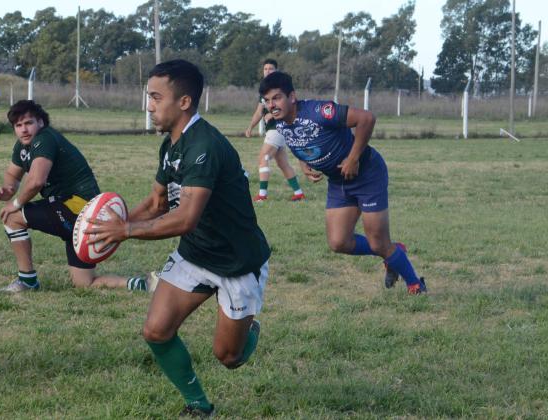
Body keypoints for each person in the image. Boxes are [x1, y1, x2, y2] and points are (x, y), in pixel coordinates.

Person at [87, 59, 270, 417]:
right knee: (156, 331)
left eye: (156, 97)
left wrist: (123, 230)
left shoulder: (204, 147)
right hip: (195, 254)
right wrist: (107, 228)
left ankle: (248, 331)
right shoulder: (171, 145)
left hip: (236, 262)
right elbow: (157, 202)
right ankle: (199, 406)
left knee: (228, 357)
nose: (149, 105)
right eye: (148, 97)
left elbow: (185, 218)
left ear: (183, 102)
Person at [258, 71, 427, 294]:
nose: (272, 105)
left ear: (292, 97)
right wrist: (303, 162)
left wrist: (353, 158)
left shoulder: (319, 111)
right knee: (339, 242)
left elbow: (366, 118)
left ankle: (415, 284)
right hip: (339, 181)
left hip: (368, 174)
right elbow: (297, 139)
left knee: (378, 242)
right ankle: (394, 252)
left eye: (277, 98)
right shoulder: (279, 122)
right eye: (268, 100)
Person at [0, 100, 152, 293]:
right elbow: (12, 174)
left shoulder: (44, 138)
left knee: (12, 217)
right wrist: (8, 188)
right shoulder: (23, 147)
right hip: (78, 213)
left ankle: (27, 281)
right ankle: (142, 284)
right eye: (18, 125)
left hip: (78, 207)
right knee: (84, 283)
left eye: (28, 123)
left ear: (41, 123)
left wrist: (15, 203)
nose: (24, 130)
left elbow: (36, 181)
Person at [244, 59, 304, 202]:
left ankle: (262, 196)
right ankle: (299, 193)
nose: (267, 71)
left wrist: (275, 112)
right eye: (265, 69)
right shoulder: (264, 90)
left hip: (277, 129)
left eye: (271, 69)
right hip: (275, 130)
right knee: (282, 163)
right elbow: (259, 112)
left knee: (263, 158)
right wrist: (250, 127)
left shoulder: (282, 87)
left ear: (276, 71)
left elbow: (292, 105)